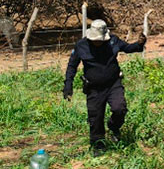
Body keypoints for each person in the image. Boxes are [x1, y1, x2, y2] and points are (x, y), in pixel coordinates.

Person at [63, 19, 146, 155]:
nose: (97, 42)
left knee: (120, 108)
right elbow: (72, 66)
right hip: (94, 87)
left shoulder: (113, 41)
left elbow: (128, 48)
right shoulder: (81, 46)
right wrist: (68, 84)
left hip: (113, 84)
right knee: (95, 117)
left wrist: (139, 44)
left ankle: (114, 127)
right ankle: (98, 144)